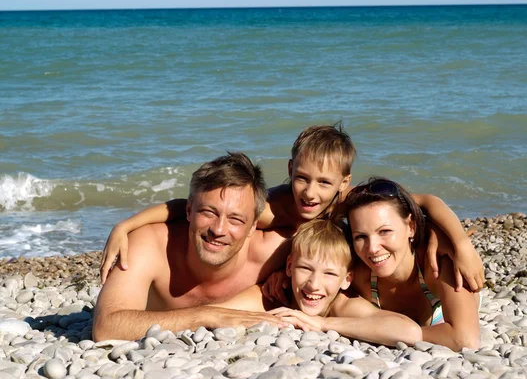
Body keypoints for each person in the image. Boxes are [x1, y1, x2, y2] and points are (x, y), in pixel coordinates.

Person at [100, 124, 485, 295]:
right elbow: (193, 207)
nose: (310, 193)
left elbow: (427, 202)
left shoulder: (350, 203)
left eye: (324, 183)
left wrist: (461, 244)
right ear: (289, 171)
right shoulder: (273, 209)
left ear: (344, 184)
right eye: (302, 178)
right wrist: (127, 225)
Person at [92, 152, 291, 341]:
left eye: (235, 219)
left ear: (253, 226)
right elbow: (105, 327)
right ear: (188, 210)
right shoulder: (151, 244)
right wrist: (207, 316)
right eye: (208, 212)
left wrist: (287, 272)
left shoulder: (274, 251)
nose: (219, 229)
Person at [209, 218, 423, 347]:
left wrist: (323, 324)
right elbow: (210, 313)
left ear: (346, 279)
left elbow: (409, 332)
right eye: (305, 268)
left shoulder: (341, 304)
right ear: (289, 267)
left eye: (329, 274)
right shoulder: (271, 295)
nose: (314, 284)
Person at [343, 178, 481, 350]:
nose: (372, 249)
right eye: (360, 236)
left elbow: (465, 340)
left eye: (385, 231)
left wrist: (401, 334)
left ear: (411, 227)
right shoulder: (354, 275)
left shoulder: (438, 263)